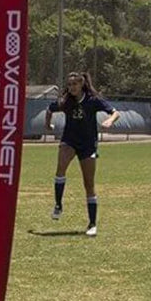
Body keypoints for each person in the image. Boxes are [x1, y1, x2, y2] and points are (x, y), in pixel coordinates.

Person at [44, 71, 119, 237]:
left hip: (88, 145)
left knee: (89, 184)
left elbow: (115, 112)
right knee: (60, 169)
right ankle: (58, 204)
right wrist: (48, 124)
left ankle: (92, 224)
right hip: (69, 141)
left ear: (82, 84)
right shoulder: (65, 102)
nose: (72, 87)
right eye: (69, 85)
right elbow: (49, 109)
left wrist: (110, 120)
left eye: (75, 84)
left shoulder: (93, 101)